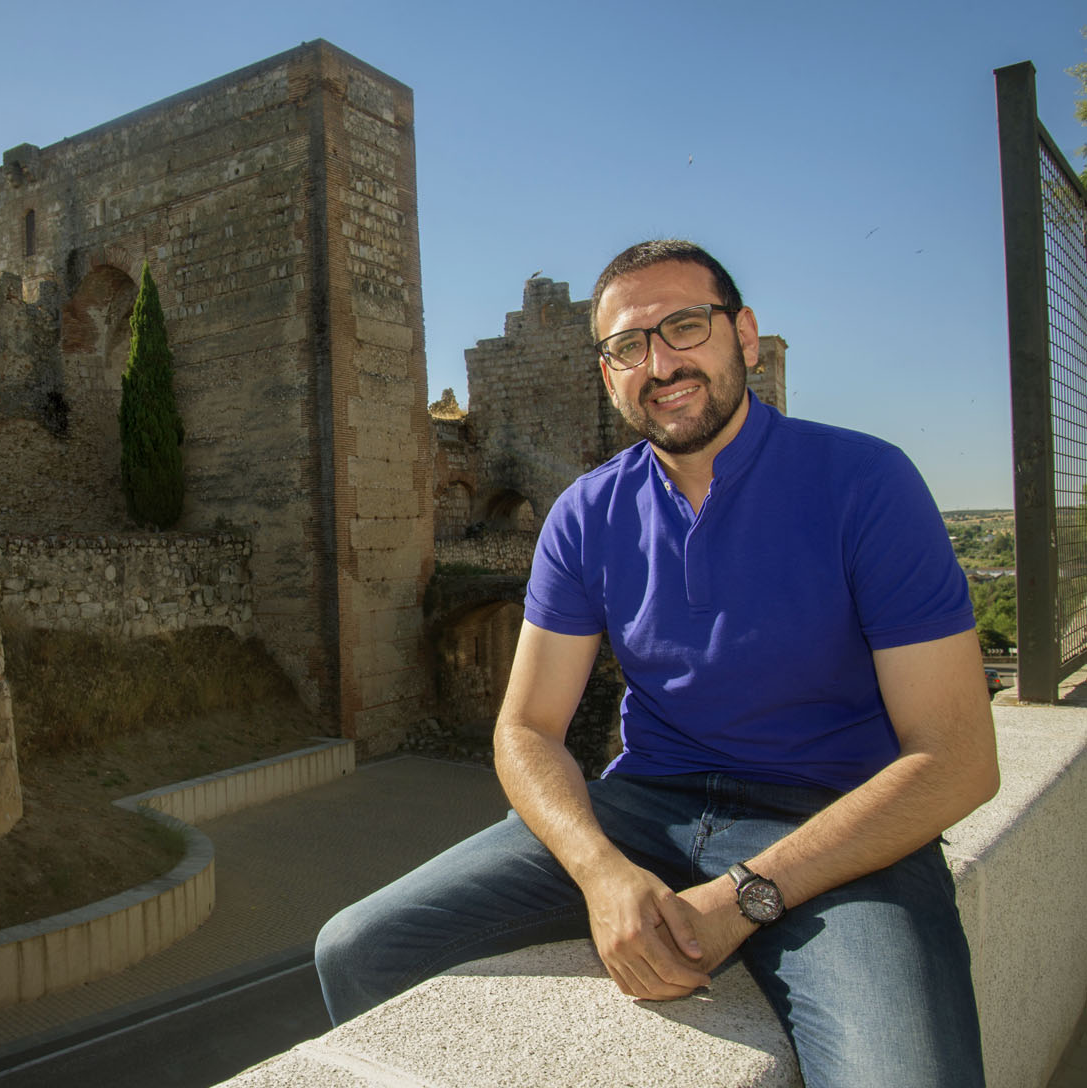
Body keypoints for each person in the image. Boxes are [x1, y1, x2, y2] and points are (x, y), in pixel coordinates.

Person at [314, 239, 999, 1088]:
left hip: (835, 824)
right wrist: (602, 874)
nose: (660, 363)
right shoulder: (587, 514)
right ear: (607, 376)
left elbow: (959, 760)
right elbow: (526, 728)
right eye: (629, 347)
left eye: (685, 326)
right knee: (358, 949)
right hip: (645, 810)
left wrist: (745, 897)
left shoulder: (865, 482)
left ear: (744, 336)